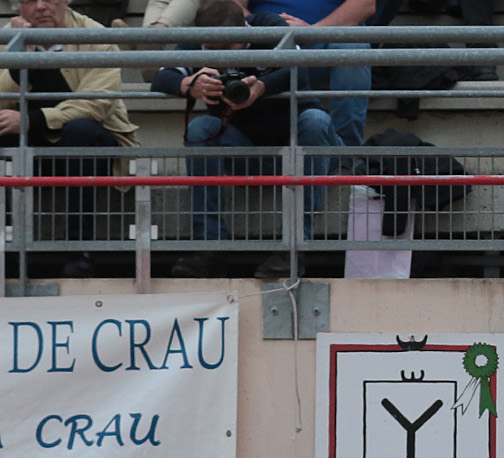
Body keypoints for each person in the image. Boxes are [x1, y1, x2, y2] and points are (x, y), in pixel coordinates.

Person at [156, 0, 343, 280]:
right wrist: (190, 85)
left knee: (316, 120)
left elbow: (299, 69)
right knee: (200, 128)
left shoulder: (267, 26)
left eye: (227, 49)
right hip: (242, 146)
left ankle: (293, 246)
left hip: (300, 140)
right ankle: (210, 248)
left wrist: (261, 87)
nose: (220, 59)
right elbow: (160, 77)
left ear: (245, 32)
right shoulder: (197, 41)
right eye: (212, 51)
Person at [0, 0, 140, 279]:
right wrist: (20, 56)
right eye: (30, 0)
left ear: (65, 1)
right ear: (18, 8)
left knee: (80, 132)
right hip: (33, 142)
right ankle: (7, 253)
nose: (41, 7)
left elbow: (97, 104)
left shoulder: (94, 34)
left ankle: (80, 251)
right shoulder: (7, 36)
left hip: (91, 141)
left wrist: (31, 120)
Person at [247, 0, 374, 147]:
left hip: (323, 42)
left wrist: (313, 32)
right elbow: (230, 6)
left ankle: (346, 155)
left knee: (354, 50)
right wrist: (266, 29)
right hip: (263, 45)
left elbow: (364, 5)